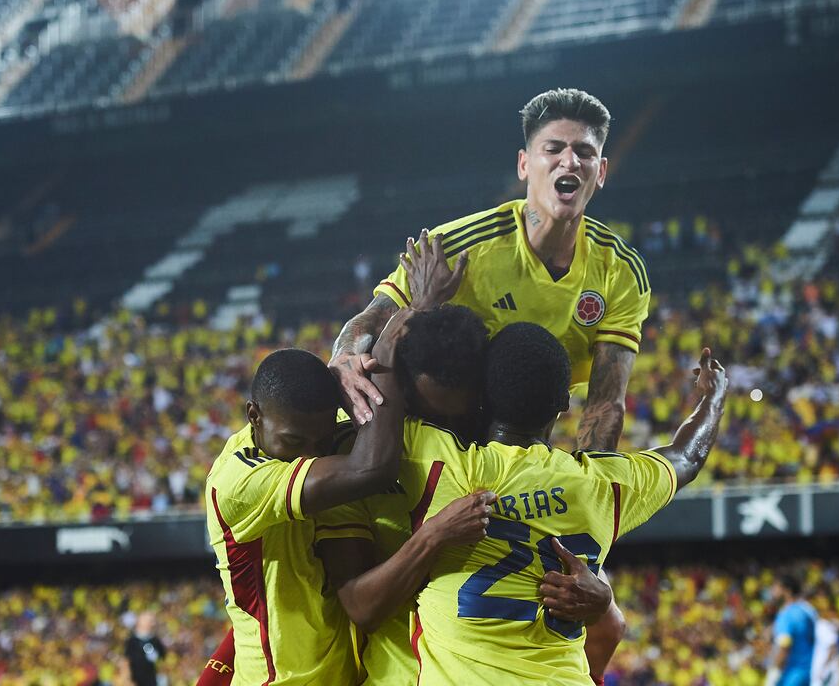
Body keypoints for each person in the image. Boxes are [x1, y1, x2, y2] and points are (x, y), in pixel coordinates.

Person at [330, 88, 651, 675]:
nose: (569, 162)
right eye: (554, 148)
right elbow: (368, 324)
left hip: (523, 457)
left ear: (602, 171)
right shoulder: (463, 245)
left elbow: (605, 405)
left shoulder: (619, 271)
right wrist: (345, 354)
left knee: (605, 623)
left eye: (584, 152)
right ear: (525, 164)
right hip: (428, 454)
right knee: (372, 613)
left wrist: (583, 528)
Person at [329, 323, 727, 684]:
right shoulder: (602, 484)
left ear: (482, 397)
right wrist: (714, 397)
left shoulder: (444, 467)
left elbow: (377, 409)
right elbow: (686, 458)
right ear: (564, 405)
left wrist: (402, 319)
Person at [203, 249, 486, 685]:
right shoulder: (240, 481)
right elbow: (370, 469)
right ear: (253, 415)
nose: (312, 455)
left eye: (320, 441)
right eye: (295, 444)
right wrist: (405, 321)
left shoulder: (313, 440)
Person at [767, 575, 818, 686]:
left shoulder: (787, 614)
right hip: (809, 673)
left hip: (791, 675)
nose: (772, 590)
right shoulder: (808, 610)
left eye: (776, 587)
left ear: (787, 590)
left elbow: (785, 646)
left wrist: (774, 672)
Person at [123, 611, 166, 686]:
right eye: (149, 621)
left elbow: (162, 656)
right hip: (135, 678)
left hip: (151, 677)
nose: (152, 623)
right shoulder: (132, 641)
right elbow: (127, 659)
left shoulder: (155, 640)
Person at [810, 603, 839, 686]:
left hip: (826, 668)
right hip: (822, 667)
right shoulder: (818, 625)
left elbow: (833, 647)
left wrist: (824, 668)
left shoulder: (822, 625)